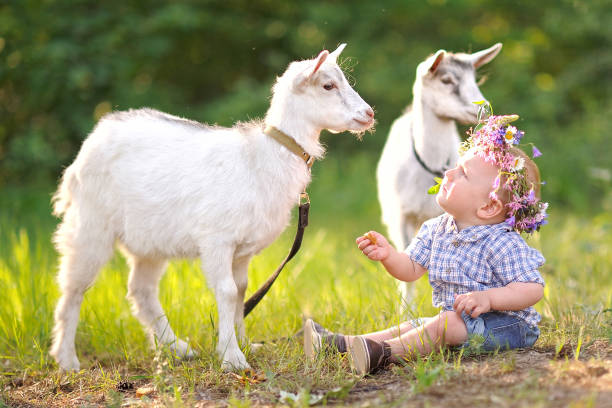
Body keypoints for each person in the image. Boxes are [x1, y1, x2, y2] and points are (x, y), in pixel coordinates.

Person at [304, 113, 549, 375]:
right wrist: (388, 255)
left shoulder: (502, 242)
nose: (449, 172)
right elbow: (410, 269)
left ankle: (384, 354)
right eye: (456, 166)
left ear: (489, 206)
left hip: (507, 327)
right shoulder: (436, 228)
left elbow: (532, 289)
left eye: (462, 174)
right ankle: (341, 344)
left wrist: (488, 298)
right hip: (458, 322)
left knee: (444, 324)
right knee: (416, 326)